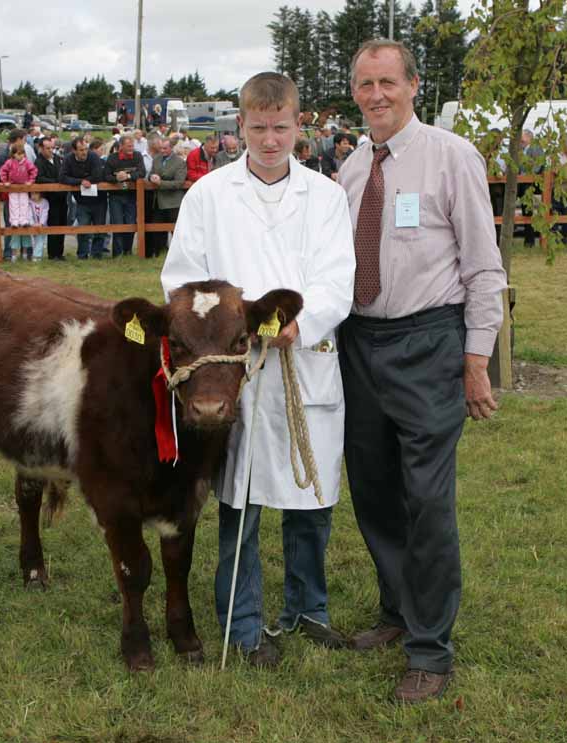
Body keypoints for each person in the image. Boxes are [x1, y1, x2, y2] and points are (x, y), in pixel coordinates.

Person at [161, 72, 355, 668]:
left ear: (300, 126)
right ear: (239, 126)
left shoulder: (324, 196)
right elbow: (181, 280)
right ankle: (242, 624)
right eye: (258, 127)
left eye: (281, 127)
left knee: (309, 497)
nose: (270, 139)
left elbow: (336, 277)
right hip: (232, 370)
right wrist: (228, 327)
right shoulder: (209, 196)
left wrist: (304, 320)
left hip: (304, 361)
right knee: (239, 502)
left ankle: (307, 607)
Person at [337, 39, 507, 703]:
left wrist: (477, 358)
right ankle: (396, 610)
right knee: (374, 490)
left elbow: (484, 263)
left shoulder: (451, 155)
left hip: (429, 341)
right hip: (360, 344)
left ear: (412, 85)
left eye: (387, 82)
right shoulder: (351, 169)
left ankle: (430, 650)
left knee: (427, 501)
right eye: (363, 84)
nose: (375, 95)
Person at [59, 136, 106, 259]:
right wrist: (81, 181)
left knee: (100, 228)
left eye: (85, 149)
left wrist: (86, 180)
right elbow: (62, 177)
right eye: (81, 150)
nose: (84, 152)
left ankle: (97, 254)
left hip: (99, 199)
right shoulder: (68, 159)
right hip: (81, 200)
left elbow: (98, 175)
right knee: (83, 228)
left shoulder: (93, 156)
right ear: (74, 151)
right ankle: (82, 254)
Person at [104, 133, 146, 256]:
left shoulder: (137, 156)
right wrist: (116, 178)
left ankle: (127, 251)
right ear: (121, 146)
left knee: (131, 222)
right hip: (116, 196)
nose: (131, 148)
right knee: (117, 224)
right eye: (128, 146)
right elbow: (105, 176)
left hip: (132, 196)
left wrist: (128, 176)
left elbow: (142, 172)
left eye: (132, 146)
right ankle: (117, 253)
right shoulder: (112, 158)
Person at [146, 137, 187, 258]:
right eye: (161, 148)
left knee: (176, 230)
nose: (162, 151)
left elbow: (179, 183)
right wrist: (152, 177)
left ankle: (180, 255)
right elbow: (151, 174)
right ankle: (158, 253)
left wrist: (161, 183)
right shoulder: (156, 159)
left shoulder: (180, 162)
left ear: (171, 148)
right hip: (158, 201)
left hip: (173, 202)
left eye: (165, 148)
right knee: (156, 229)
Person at [0, 143, 38, 261]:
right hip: (12, 188)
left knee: (24, 204)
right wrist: (5, 181)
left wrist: (30, 181)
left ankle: (24, 220)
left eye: (22, 154)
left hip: (24, 188)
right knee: (13, 205)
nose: (20, 156)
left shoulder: (27, 162)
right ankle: (14, 221)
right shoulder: (9, 162)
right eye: (17, 154)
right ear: (13, 154)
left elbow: (34, 171)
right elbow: (2, 171)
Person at [35, 136, 66, 260]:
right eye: (47, 148)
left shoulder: (58, 159)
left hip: (62, 197)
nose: (50, 151)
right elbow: (39, 178)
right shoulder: (39, 162)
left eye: (52, 148)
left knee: (62, 224)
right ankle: (53, 254)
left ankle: (60, 252)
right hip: (50, 198)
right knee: (53, 224)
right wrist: (55, 182)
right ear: (41, 148)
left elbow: (64, 173)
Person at [28, 191, 49, 262]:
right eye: (32, 193)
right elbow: (29, 213)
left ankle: (37, 256)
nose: (33, 195)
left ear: (40, 194)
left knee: (40, 240)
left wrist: (41, 223)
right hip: (32, 225)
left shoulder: (45, 202)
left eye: (35, 193)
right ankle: (34, 254)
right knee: (33, 240)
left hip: (42, 225)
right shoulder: (29, 202)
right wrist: (32, 223)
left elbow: (45, 213)